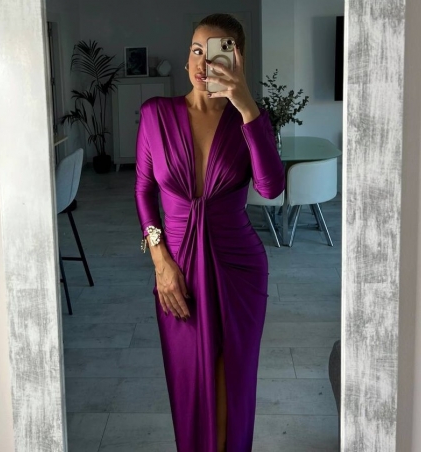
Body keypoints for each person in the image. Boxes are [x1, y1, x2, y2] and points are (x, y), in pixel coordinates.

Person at [135, 13, 285, 452]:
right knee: (190, 389)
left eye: (217, 53)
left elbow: (271, 188)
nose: (203, 63)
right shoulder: (155, 114)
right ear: (187, 59)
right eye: (197, 50)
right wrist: (160, 261)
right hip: (176, 272)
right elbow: (143, 191)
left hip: (238, 270)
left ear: (237, 61)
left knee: (230, 386)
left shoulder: (250, 120)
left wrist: (247, 106)